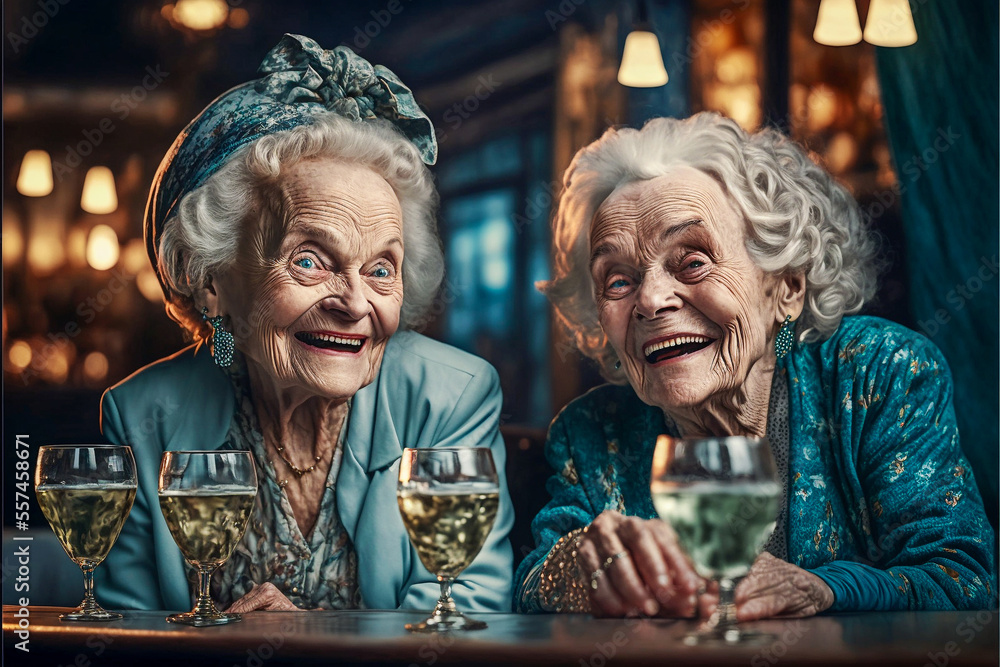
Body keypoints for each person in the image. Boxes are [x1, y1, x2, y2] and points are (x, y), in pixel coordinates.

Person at [515, 112, 995, 619]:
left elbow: (960, 579)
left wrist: (821, 590)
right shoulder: (591, 433)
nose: (651, 300)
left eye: (693, 261)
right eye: (617, 281)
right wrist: (575, 567)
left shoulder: (879, 373)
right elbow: (531, 583)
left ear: (786, 287)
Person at [97, 34, 513, 613]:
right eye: (310, 261)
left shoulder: (452, 397)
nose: (354, 301)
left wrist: (316, 639)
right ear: (215, 281)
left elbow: (468, 607)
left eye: (380, 269)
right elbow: (124, 631)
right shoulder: (143, 415)